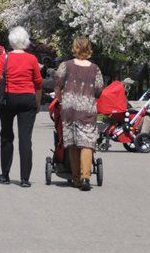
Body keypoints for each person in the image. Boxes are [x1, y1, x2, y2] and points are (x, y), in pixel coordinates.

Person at [0, 26, 43, 187]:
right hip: (27, 99)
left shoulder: (4, 58)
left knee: (6, 135)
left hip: (7, 99)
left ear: (11, 42)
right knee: (25, 138)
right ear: (26, 42)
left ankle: (5, 175)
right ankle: (25, 178)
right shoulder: (32, 59)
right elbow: (38, 83)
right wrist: (38, 103)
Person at [54, 36, 104, 191]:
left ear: (74, 48)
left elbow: (57, 84)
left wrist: (60, 98)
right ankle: (85, 177)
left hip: (69, 108)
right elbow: (99, 89)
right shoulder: (95, 69)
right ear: (88, 48)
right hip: (87, 108)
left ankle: (76, 179)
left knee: (73, 143)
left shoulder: (65, 65)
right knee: (87, 142)